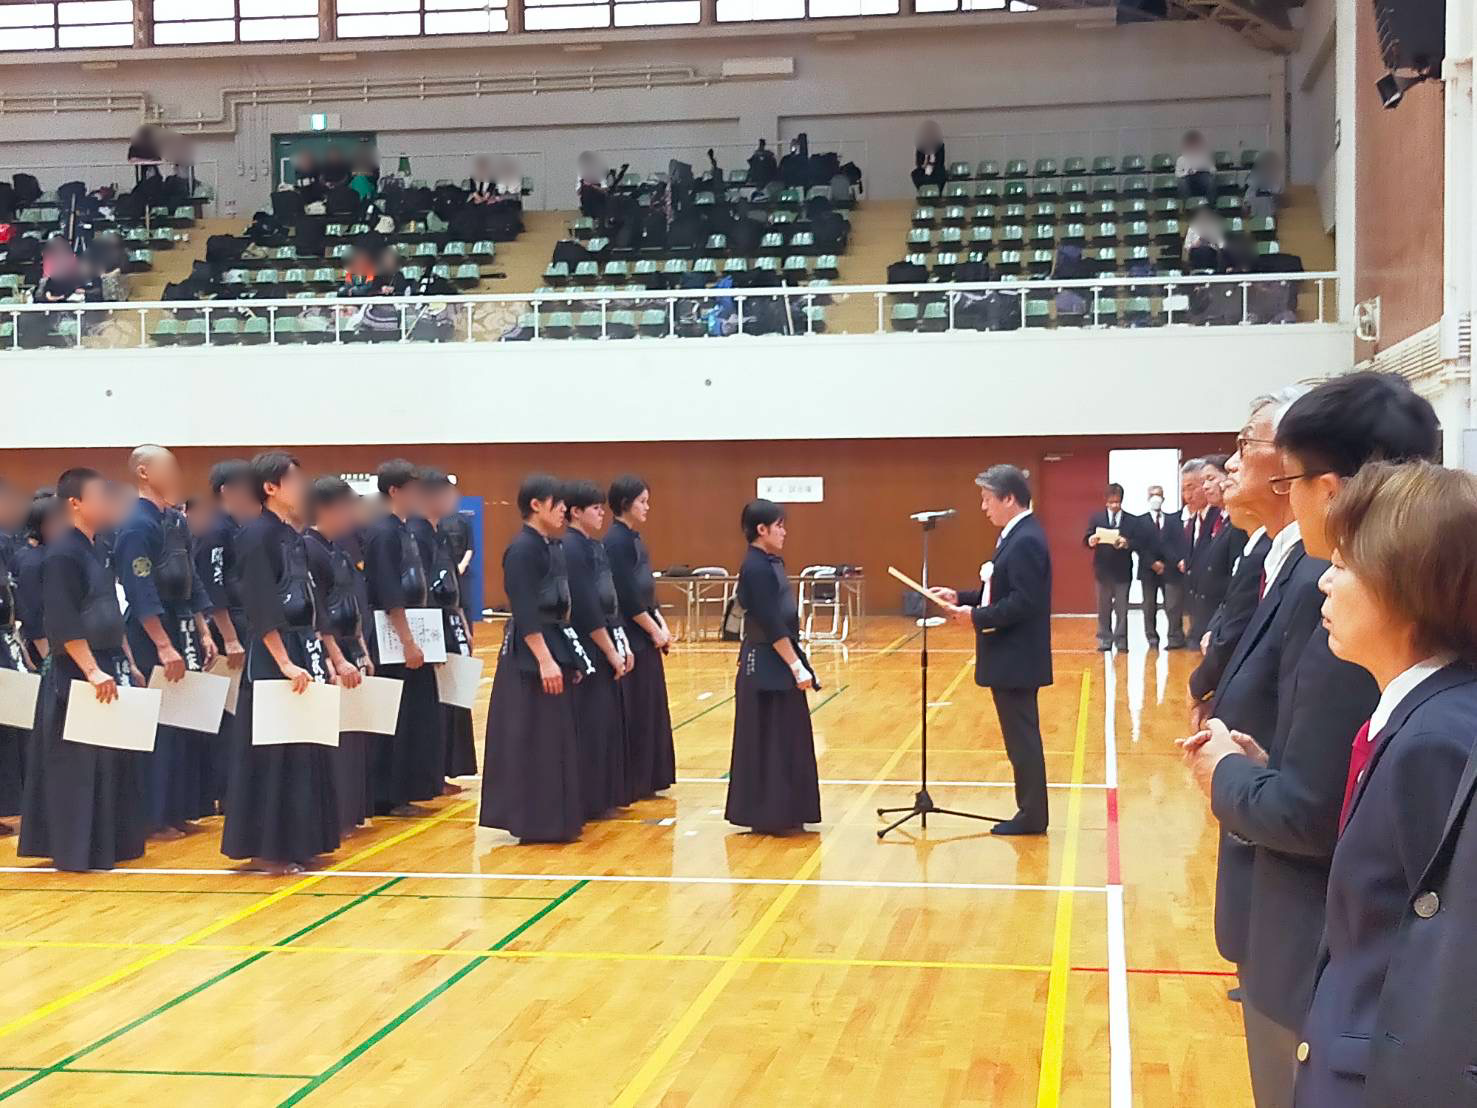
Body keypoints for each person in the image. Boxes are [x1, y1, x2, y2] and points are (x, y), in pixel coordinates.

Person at [1180, 373, 1440, 1108]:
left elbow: (1315, 810)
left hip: (1321, 952)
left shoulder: (1349, 609)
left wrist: (1228, 773)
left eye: (1288, 479)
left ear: (1328, 489)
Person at [1287, 462, 1477, 1108]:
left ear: (1403, 585)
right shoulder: (1409, 713)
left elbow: (1443, 965)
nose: (1323, 579)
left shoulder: (1438, 741)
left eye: (1342, 565)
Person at [222, 452, 354, 876]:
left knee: (305, 748)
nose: (303, 489)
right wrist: (282, 661)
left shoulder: (293, 537)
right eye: (295, 482)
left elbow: (312, 604)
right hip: (272, 656)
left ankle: (303, 840)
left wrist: (331, 656)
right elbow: (260, 603)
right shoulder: (255, 536)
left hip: (302, 647)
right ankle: (269, 849)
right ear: (271, 488)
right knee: (274, 752)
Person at [18, 467, 150, 872]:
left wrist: (128, 661)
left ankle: (108, 843)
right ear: (75, 502)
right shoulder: (62, 553)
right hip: (76, 669)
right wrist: (91, 670)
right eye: (100, 496)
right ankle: (76, 849)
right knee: (78, 762)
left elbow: (110, 611)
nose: (108, 504)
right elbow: (62, 618)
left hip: (108, 661)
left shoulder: (98, 547)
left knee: (110, 759)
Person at [932, 465, 1052, 836]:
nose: (983, 507)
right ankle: (1029, 811)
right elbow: (1000, 591)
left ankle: (1032, 815)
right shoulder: (1016, 536)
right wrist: (962, 597)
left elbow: (1024, 602)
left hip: (1016, 658)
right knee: (1018, 740)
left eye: (988, 499)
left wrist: (976, 617)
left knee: (1022, 740)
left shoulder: (1026, 539)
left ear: (1009, 498)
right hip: (1011, 657)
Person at [115, 445, 218, 836]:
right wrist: (162, 644)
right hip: (151, 632)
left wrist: (203, 629)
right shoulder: (136, 525)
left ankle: (180, 807)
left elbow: (192, 578)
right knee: (157, 725)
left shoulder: (175, 520)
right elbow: (139, 589)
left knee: (184, 721)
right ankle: (153, 816)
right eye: (167, 468)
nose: (176, 475)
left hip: (183, 624)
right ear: (143, 472)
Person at [480, 474, 589, 844]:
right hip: (530, 657)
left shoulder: (550, 546)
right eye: (558, 504)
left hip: (556, 644)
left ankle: (556, 817)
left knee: (555, 738)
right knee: (532, 737)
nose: (564, 510)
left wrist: (571, 658)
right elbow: (526, 611)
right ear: (536, 505)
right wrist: (545, 660)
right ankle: (533, 820)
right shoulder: (522, 550)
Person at [725, 499, 821, 835]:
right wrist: (796, 665)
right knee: (768, 738)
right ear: (761, 529)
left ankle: (789, 810)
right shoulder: (755, 567)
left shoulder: (771, 563)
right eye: (778, 526)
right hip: (765, 662)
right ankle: (769, 813)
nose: (784, 532)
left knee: (788, 736)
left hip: (779, 658)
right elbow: (769, 622)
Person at [363, 459, 442, 814]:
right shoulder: (384, 532)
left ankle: (410, 789)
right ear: (394, 490)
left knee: (415, 715)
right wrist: (408, 641)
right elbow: (389, 592)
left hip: (411, 629)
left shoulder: (404, 529)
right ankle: (388, 796)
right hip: (391, 638)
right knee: (396, 715)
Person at [305, 476, 376, 836]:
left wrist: (361, 648)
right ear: (327, 508)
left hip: (351, 648)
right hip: (332, 656)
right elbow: (318, 614)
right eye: (347, 507)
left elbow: (352, 603)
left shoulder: (339, 551)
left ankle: (351, 812)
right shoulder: (309, 548)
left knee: (354, 736)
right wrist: (334, 658)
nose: (352, 515)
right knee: (335, 739)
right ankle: (334, 816)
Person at [561, 480, 631, 818]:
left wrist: (621, 642)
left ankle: (606, 795)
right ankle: (589, 799)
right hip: (588, 646)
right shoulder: (571, 548)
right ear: (576, 512)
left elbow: (609, 599)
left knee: (605, 723)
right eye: (595, 508)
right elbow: (587, 608)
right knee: (590, 722)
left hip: (606, 640)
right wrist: (610, 650)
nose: (602, 514)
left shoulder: (595, 546)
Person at [605, 475, 676, 801]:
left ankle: (651, 776)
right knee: (636, 706)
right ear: (625, 504)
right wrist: (652, 629)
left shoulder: (635, 539)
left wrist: (661, 623)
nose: (647, 507)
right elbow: (627, 595)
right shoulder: (615, 542)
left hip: (646, 632)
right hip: (631, 634)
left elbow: (647, 590)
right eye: (642, 502)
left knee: (650, 706)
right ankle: (634, 779)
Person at [416, 468, 476, 786]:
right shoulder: (415, 533)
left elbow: (451, 582)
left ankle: (445, 769)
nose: (455, 498)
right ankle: (432, 774)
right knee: (436, 702)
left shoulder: (440, 531)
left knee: (454, 697)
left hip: (451, 621)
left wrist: (463, 622)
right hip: (431, 628)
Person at [1191, 455, 1242, 644]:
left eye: (1211, 479)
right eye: (1203, 481)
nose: (1205, 487)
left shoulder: (1240, 522)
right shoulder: (1214, 516)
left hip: (1223, 616)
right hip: (1204, 611)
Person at [1135, 483, 1187, 650]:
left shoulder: (1174, 520)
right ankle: (1152, 638)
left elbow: (1178, 542)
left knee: (1173, 605)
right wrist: (1152, 563)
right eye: (1152, 495)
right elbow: (1139, 546)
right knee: (1149, 606)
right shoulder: (1140, 521)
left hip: (1170, 569)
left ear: (1163, 498)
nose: (1155, 498)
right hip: (1148, 570)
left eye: (1158, 495)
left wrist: (1172, 561)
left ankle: (1175, 638)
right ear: (1148, 498)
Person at [1085, 483, 1134, 652]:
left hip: (1122, 571)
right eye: (1111, 502)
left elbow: (1137, 542)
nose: (1114, 505)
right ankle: (1104, 639)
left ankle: (1121, 640)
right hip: (1103, 570)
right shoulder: (1097, 518)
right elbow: (1087, 537)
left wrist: (1126, 543)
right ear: (1106, 501)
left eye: (1117, 502)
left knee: (1122, 609)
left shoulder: (1130, 520)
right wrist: (1091, 540)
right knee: (1103, 607)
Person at [1175, 129, 1216, 202]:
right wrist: (1186, 173)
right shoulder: (1181, 159)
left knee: (1210, 181)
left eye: (1195, 144)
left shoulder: (1205, 157)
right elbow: (1177, 173)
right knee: (1182, 183)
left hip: (1203, 176)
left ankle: (1210, 204)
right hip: (1187, 178)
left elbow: (1213, 170)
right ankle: (1186, 204)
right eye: (1191, 144)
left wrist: (1205, 169)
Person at [1244, 151, 1283, 221]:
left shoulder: (1274, 178)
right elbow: (1250, 187)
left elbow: (1277, 190)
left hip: (1269, 210)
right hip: (1255, 208)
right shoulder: (1253, 176)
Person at [911, 121, 946, 191]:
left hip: (936, 170)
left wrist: (932, 163)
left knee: (940, 175)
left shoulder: (939, 145)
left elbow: (940, 161)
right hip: (924, 169)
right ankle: (923, 190)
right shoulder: (920, 146)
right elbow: (918, 161)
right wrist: (924, 165)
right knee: (916, 174)